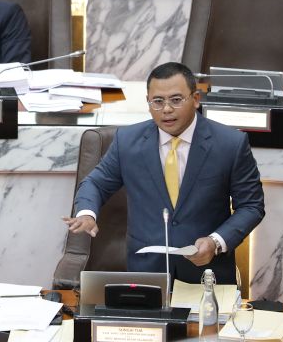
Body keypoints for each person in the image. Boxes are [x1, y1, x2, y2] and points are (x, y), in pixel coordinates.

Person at [63, 62, 265, 284]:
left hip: (207, 275)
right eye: (158, 101)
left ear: (196, 99)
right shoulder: (127, 142)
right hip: (146, 274)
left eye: (176, 100)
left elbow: (251, 205)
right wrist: (87, 214)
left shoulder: (230, 144)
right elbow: (95, 183)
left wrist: (215, 242)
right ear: (148, 103)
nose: (167, 109)